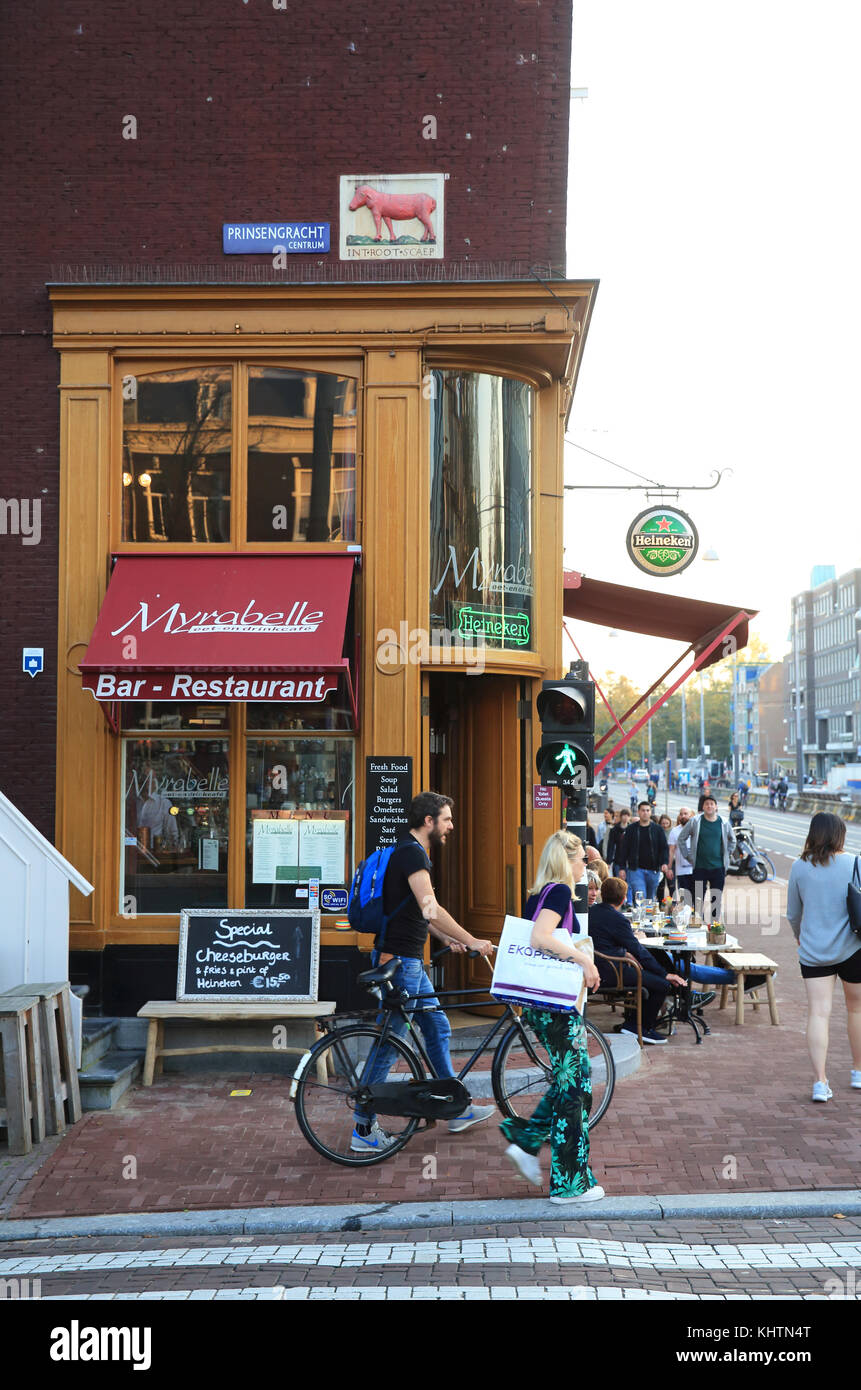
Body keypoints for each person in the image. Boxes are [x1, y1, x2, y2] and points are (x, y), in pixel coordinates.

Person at [352, 791, 495, 1152]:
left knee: (436, 1026)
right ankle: (363, 1129)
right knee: (390, 1043)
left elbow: (416, 913)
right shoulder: (413, 854)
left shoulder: (405, 851)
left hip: (405, 959)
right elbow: (431, 908)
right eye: (446, 819)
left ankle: (454, 1107)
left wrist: (450, 938)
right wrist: (473, 939)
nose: (451, 826)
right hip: (401, 964)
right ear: (428, 821)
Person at [500, 830, 606, 1203]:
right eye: (582, 861)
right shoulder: (560, 892)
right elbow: (541, 938)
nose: (585, 867)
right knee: (576, 1090)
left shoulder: (540, 893)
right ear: (567, 861)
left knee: (570, 1081)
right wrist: (583, 959)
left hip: (542, 1004)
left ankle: (527, 1142)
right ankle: (569, 1184)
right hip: (555, 1006)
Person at [786, 812, 861, 1103]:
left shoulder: (799, 867)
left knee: (818, 1013)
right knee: (856, 1010)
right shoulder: (855, 862)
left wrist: (799, 936)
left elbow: (793, 913)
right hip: (853, 949)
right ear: (840, 834)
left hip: (814, 951)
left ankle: (820, 1082)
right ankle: (857, 1071)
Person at [589, 876, 687, 1044]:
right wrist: (665, 975)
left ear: (602, 894)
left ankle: (632, 1023)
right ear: (623, 898)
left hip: (596, 967)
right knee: (661, 984)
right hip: (612, 971)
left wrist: (623, 953)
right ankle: (641, 1027)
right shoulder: (618, 919)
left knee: (648, 973)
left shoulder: (592, 912)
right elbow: (639, 951)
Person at [676, 795, 735, 923]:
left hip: (718, 868)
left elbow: (732, 840)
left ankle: (714, 926)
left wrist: (726, 854)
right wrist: (688, 856)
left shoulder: (723, 822)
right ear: (703, 807)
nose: (709, 806)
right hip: (699, 867)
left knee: (716, 899)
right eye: (706, 804)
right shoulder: (695, 821)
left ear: (716, 806)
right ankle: (698, 924)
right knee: (698, 899)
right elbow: (681, 839)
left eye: (712, 804)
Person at [618, 801, 670, 904]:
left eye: (647, 810)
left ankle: (647, 919)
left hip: (653, 870)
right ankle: (641, 918)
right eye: (643, 810)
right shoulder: (631, 829)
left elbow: (664, 848)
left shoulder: (657, 829)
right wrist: (622, 868)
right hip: (636, 870)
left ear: (650, 812)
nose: (645, 813)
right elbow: (624, 849)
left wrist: (664, 862)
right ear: (638, 812)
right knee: (640, 896)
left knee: (650, 899)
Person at [667, 806, 695, 905]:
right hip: (682, 872)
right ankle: (686, 919)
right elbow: (671, 851)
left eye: (685, 814)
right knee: (685, 900)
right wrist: (669, 868)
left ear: (691, 815)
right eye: (681, 814)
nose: (683, 816)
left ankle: (698, 919)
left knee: (698, 899)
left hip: (697, 870)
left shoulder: (697, 829)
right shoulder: (675, 831)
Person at [607, 807, 630, 875]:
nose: (625, 817)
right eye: (624, 815)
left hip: (629, 861)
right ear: (621, 816)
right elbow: (611, 846)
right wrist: (609, 861)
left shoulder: (631, 829)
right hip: (618, 859)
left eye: (627, 815)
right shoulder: (614, 830)